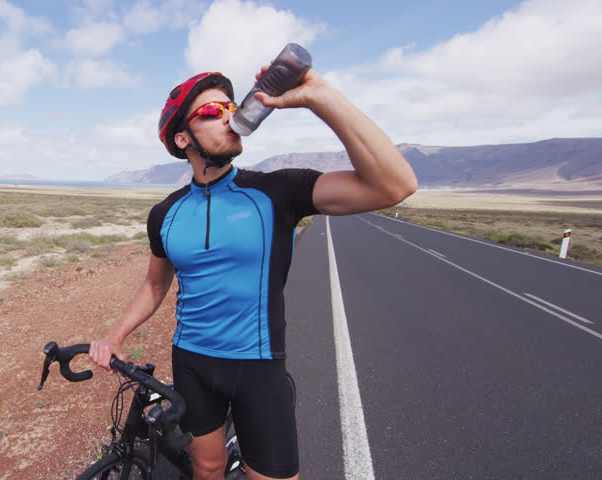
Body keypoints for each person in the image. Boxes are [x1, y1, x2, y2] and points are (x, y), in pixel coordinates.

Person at [88, 66, 417, 480]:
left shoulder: (277, 191)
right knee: (206, 467)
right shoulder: (165, 214)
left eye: (231, 105)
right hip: (191, 361)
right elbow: (155, 286)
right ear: (182, 138)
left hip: (257, 366)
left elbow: (396, 185)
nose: (229, 115)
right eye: (212, 110)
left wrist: (320, 96)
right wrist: (115, 336)